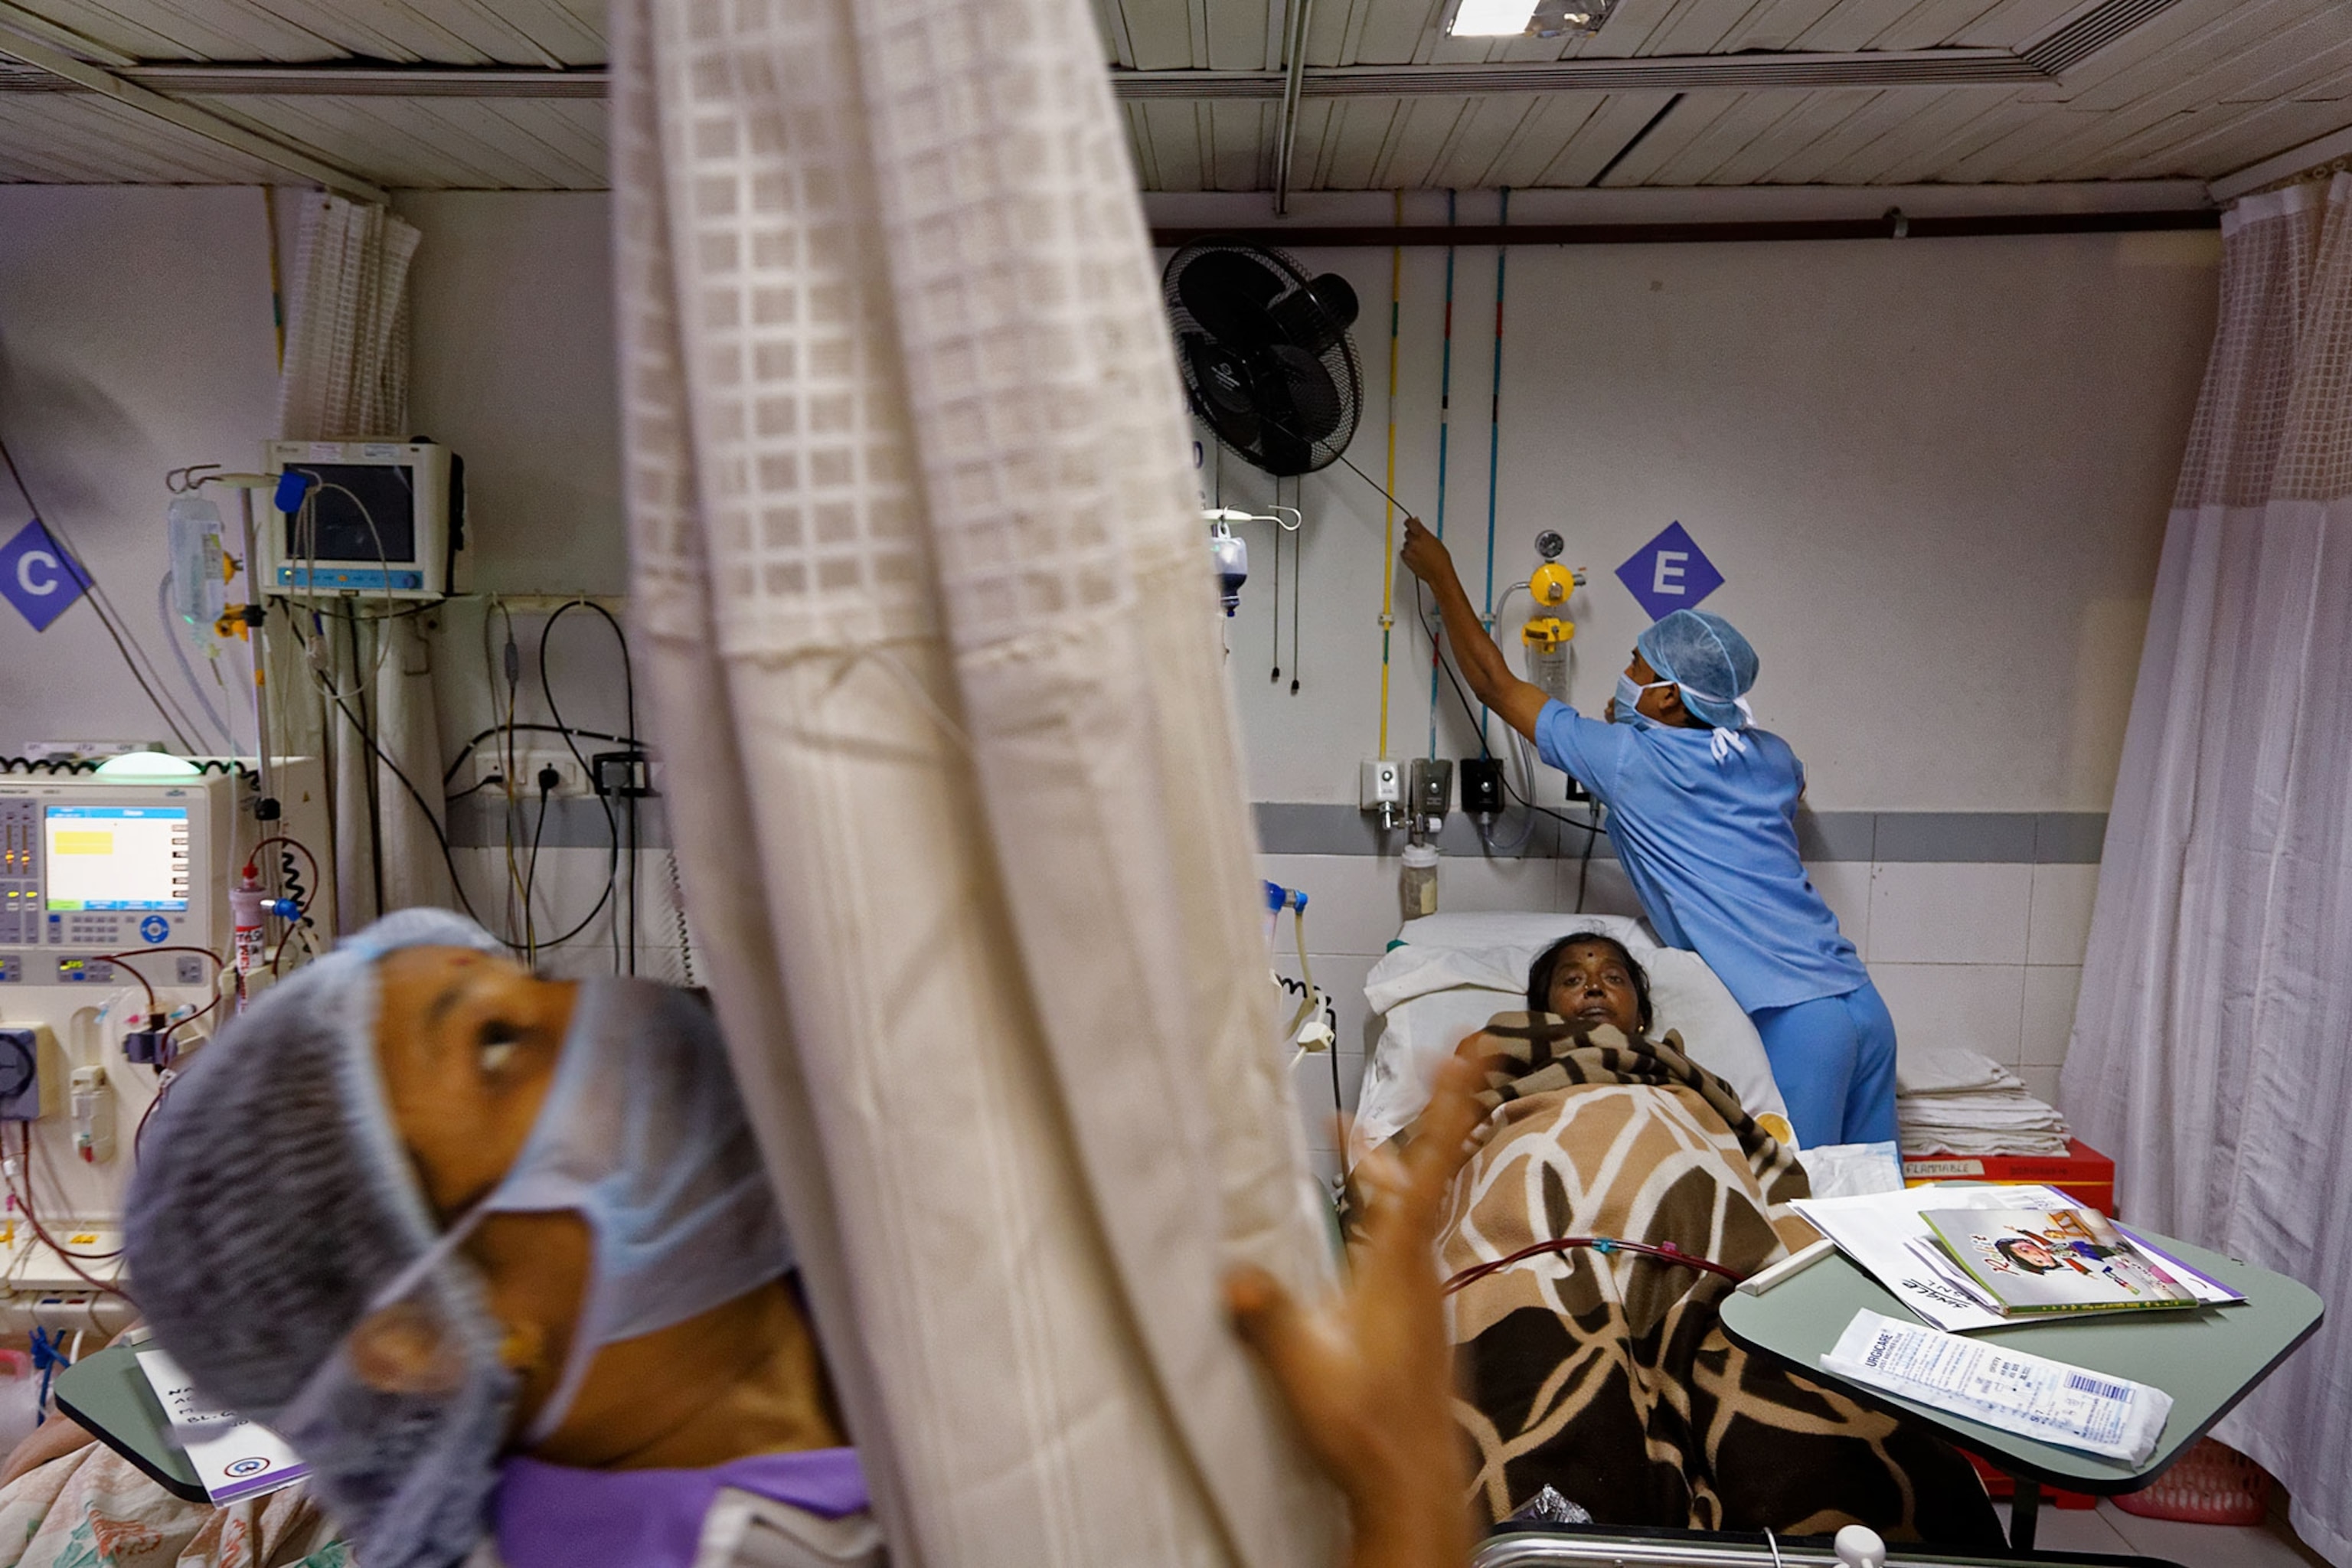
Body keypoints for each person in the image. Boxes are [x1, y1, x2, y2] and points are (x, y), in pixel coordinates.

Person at [121, 908, 1484, 1568]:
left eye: (526, 981)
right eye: (495, 1044)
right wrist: (1403, 1484)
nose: (605, 1012)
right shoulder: (729, 1550)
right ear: (422, 1334)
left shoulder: (788, 1367)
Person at [1400, 518, 1893, 1148]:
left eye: (1636, 666)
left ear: (1667, 700)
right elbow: (1792, 785)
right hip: (1862, 1005)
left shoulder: (1629, 760)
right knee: (1874, 1208)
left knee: (1799, 1210)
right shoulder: (1768, 753)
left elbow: (1496, 685)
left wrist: (1440, 572)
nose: (1624, 673)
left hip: (1798, 1021)